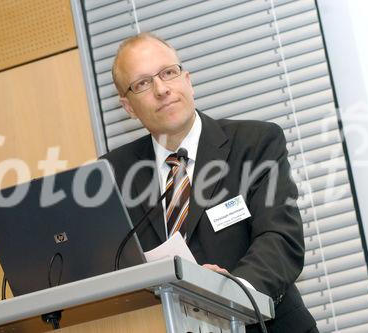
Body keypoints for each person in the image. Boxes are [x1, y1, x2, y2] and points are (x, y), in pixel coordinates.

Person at [102, 32, 318, 333]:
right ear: (128, 106)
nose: (162, 89)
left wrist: (227, 293)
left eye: (168, 73)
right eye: (142, 83)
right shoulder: (113, 172)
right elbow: (112, 271)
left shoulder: (255, 144)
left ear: (187, 79)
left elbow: (281, 238)